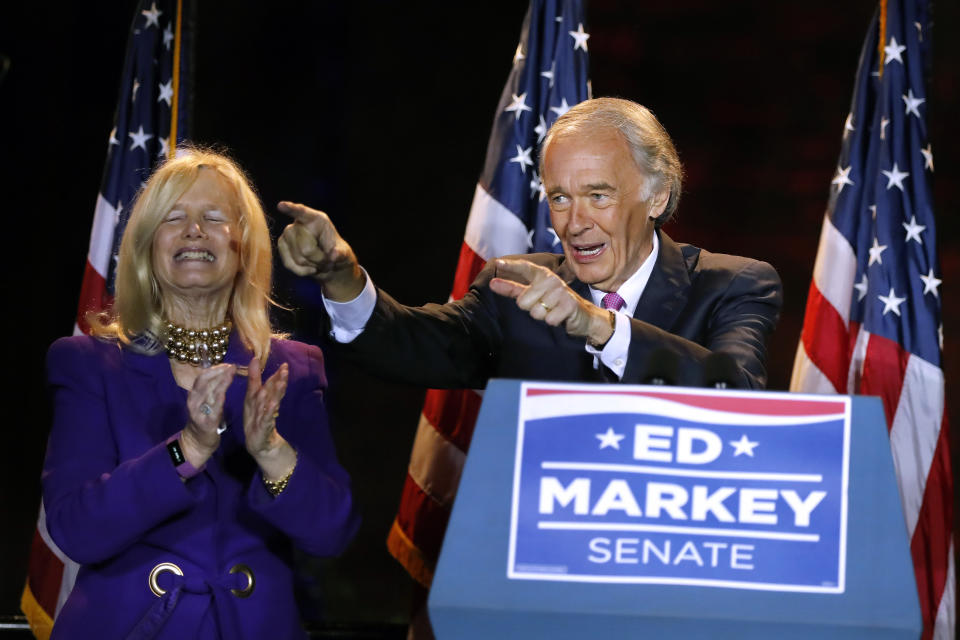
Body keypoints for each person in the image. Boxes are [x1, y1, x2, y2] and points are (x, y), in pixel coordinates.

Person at [42, 149, 359, 639]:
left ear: (243, 248)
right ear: (147, 247)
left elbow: (332, 532)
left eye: (213, 218)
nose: (194, 230)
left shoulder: (293, 370)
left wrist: (272, 452)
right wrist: (186, 450)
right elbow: (74, 529)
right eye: (175, 218)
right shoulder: (88, 364)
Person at [276, 97, 782, 389]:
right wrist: (340, 277)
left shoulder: (731, 285)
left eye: (597, 196)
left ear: (657, 196)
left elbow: (736, 392)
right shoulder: (514, 288)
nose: (575, 222)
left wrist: (599, 325)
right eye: (559, 198)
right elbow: (410, 344)